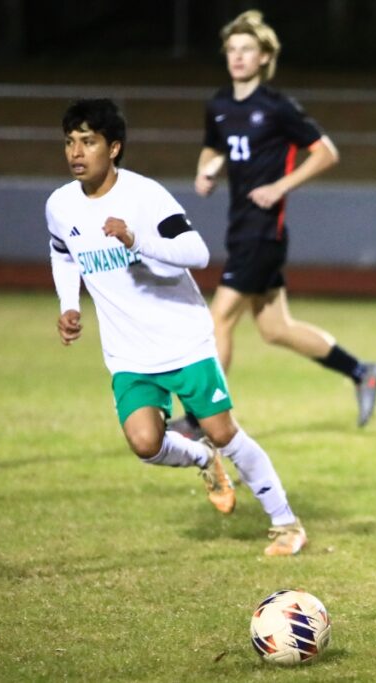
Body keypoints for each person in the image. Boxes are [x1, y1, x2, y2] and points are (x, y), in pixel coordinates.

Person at [48, 98, 307, 556]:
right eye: (70, 141)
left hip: (183, 342)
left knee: (225, 432)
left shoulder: (144, 196)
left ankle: (286, 523)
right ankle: (201, 456)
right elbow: (62, 252)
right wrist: (70, 304)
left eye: (88, 142)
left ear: (114, 148)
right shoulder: (60, 205)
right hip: (128, 354)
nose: (76, 152)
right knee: (145, 443)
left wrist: (136, 239)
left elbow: (197, 253)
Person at [172, 9, 376, 438]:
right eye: (232, 49)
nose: (237, 57)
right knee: (275, 329)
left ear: (264, 56)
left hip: (263, 231)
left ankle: (199, 420)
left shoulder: (277, 107)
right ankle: (363, 372)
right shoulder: (218, 105)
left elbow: (326, 152)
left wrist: (280, 187)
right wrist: (206, 173)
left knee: (219, 320)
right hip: (241, 227)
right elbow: (212, 150)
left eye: (247, 49)